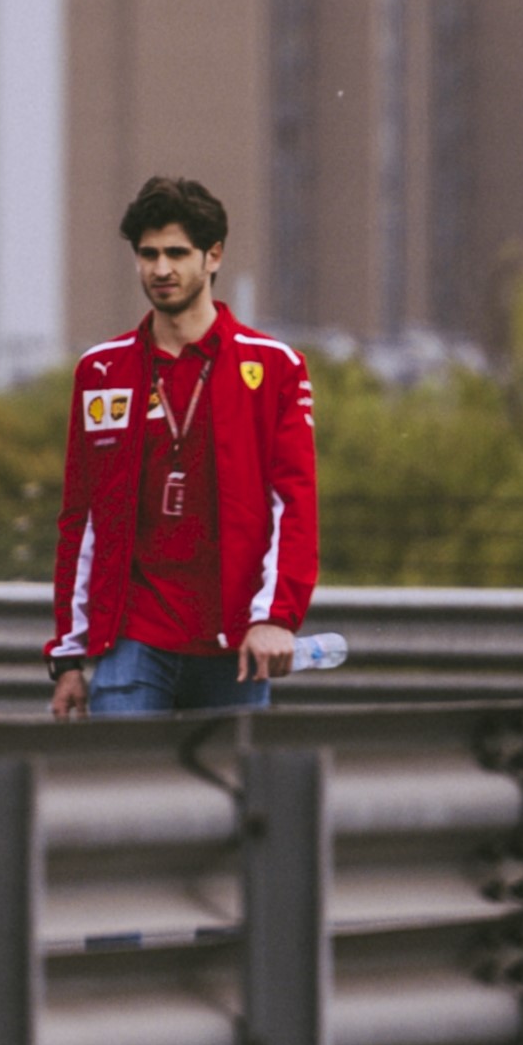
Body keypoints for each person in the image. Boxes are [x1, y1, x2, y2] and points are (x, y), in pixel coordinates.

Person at [46, 176, 318, 718]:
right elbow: (81, 519)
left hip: (237, 640)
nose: (161, 269)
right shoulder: (102, 369)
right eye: (148, 254)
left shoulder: (273, 366)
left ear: (212, 256)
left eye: (176, 253)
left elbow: (295, 505)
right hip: (132, 638)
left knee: (238, 797)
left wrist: (277, 616)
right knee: (126, 795)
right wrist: (69, 654)